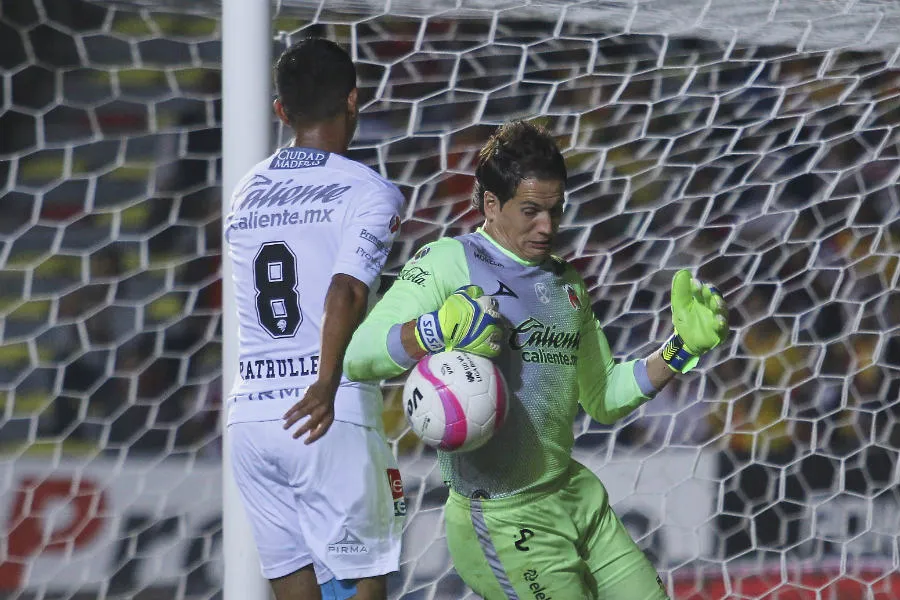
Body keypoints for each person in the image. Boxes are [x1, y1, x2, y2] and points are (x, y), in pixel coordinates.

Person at [343, 120, 728, 599]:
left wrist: (680, 349)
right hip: (504, 519)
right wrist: (434, 329)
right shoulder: (449, 261)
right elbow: (358, 355)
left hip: (575, 497)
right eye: (531, 211)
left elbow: (604, 397)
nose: (547, 226)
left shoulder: (566, 283)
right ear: (491, 204)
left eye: (555, 210)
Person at [224, 38, 406, 600]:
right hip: (325, 412)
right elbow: (345, 289)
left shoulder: (245, 190)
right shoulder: (368, 191)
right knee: (362, 584)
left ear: (281, 111)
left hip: (252, 419)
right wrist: (325, 383)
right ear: (353, 100)